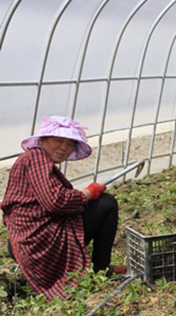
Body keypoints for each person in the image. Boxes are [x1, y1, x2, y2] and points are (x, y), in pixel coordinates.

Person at [1, 116, 124, 300]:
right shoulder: (35, 157)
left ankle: (99, 268)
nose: (64, 148)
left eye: (70, 144)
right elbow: (55, 202)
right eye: (58, 141)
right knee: (107, 203)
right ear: (43, 140)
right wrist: (87, 193)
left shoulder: (35, 159)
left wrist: (81, 196)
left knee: (97, 204)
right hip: (39, 241)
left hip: (23, 240)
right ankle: (101, 268)